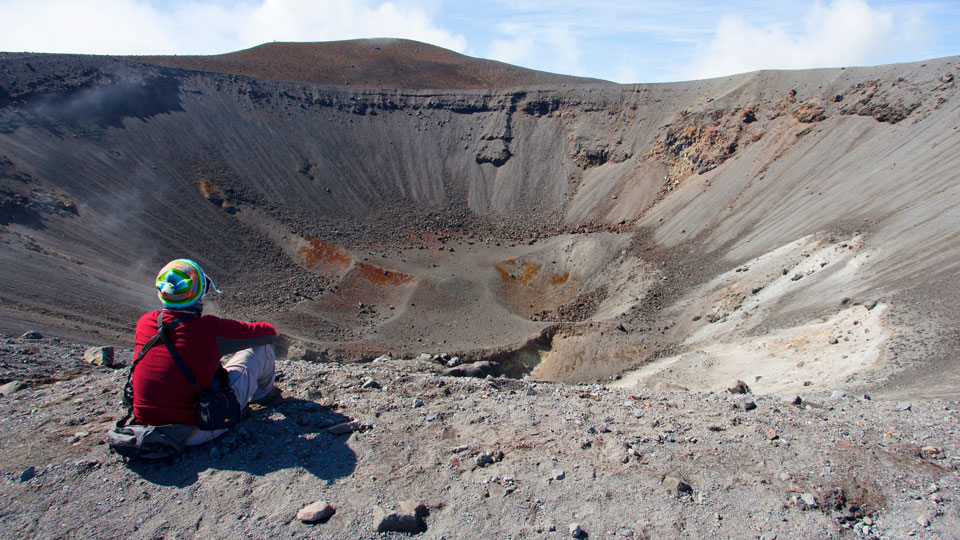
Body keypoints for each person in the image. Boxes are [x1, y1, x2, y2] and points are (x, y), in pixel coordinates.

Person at [131, 258, 277, 446]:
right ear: (200, 291)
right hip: (196, 429)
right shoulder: (209, 328)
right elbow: (267, 333)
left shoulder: (145, 322)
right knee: (259, 349)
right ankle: (265, 395)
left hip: (146, 426)